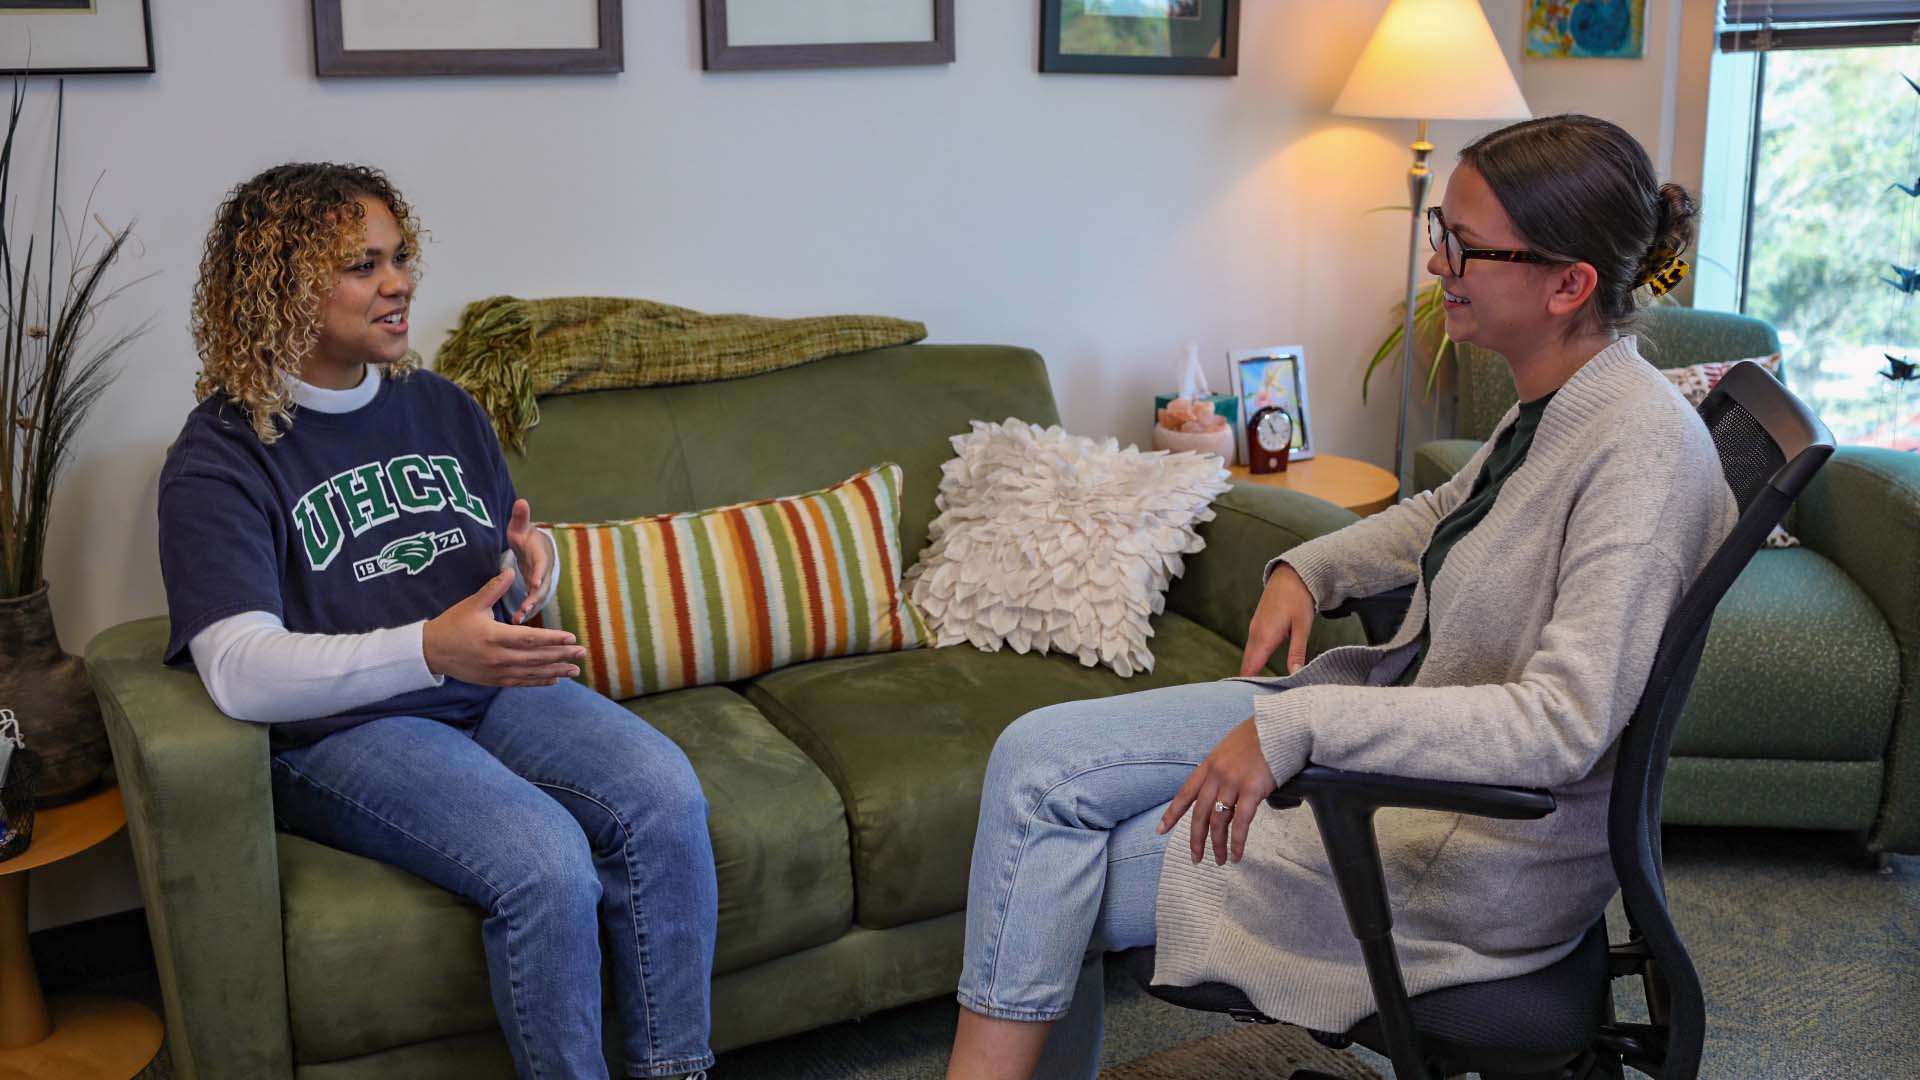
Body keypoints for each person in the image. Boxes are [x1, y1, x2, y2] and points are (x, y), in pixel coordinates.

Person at [944, 114, 1737, 1080]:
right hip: (1396, 741)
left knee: (1051, 869)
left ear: (1568, 284)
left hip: (1456, 853)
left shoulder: (1640, 454)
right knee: (1033, 760)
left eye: (1465, 246)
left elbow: (1563, 722)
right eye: (1441, 232)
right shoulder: (1567, 399)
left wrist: (1305, 724)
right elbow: (1448, 510)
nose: (1439, 264)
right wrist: (1307, 569)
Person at [158, 162, 717, 1080]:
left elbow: (484, 572)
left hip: (489, 689)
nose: (399, 283)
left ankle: (677, 1071)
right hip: (344, 733)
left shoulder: (442, 407)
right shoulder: (220, 455)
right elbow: (238, 669)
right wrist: (427, 651)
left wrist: (530, 568)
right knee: (546, 863)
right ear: (278, 287)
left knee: (665, 797)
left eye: (400, 257)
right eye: (362, 265)